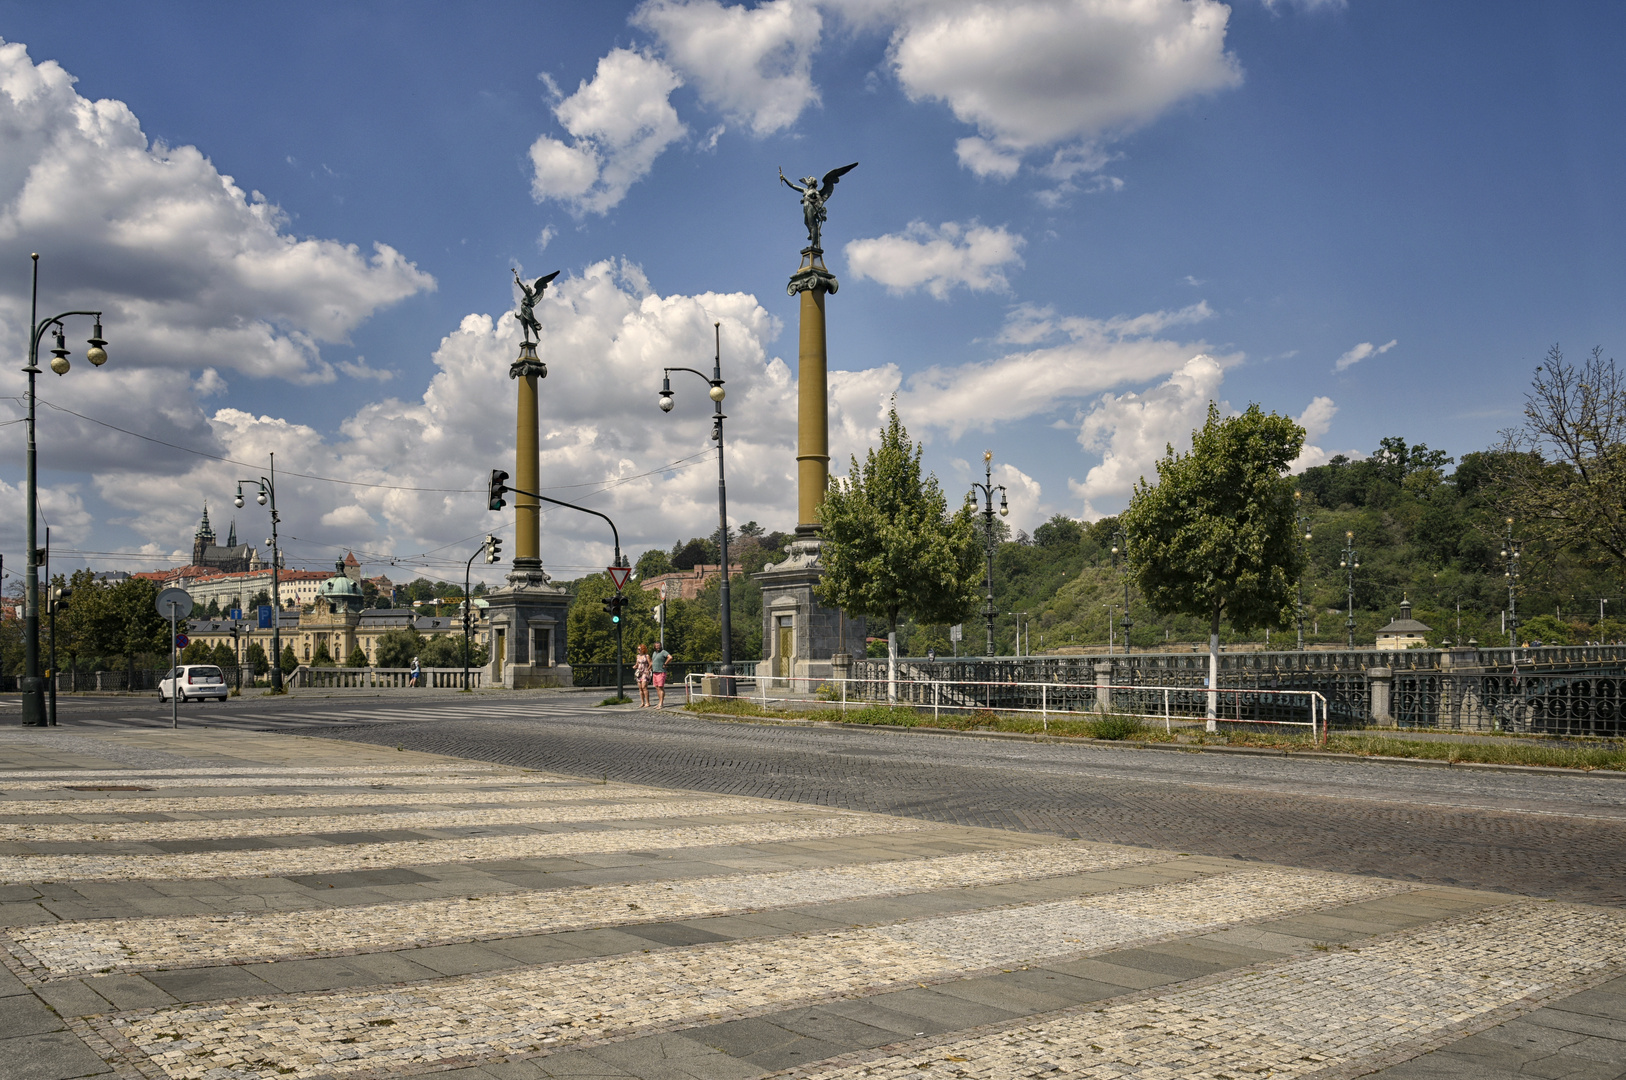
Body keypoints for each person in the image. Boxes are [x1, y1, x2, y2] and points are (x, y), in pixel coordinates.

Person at [650, 641, 672, 708]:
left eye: (659, 645)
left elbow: (670, 657)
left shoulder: (663, 652)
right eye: (656, 646)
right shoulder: (654, 653)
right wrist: (650, 668)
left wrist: (665, 664)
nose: (657, 647)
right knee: (657, 688)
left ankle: (661, 703)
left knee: (660, 687)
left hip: (661, 672)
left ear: (661, 646)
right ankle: (659, 702)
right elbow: (652, 661)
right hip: (655, 672)